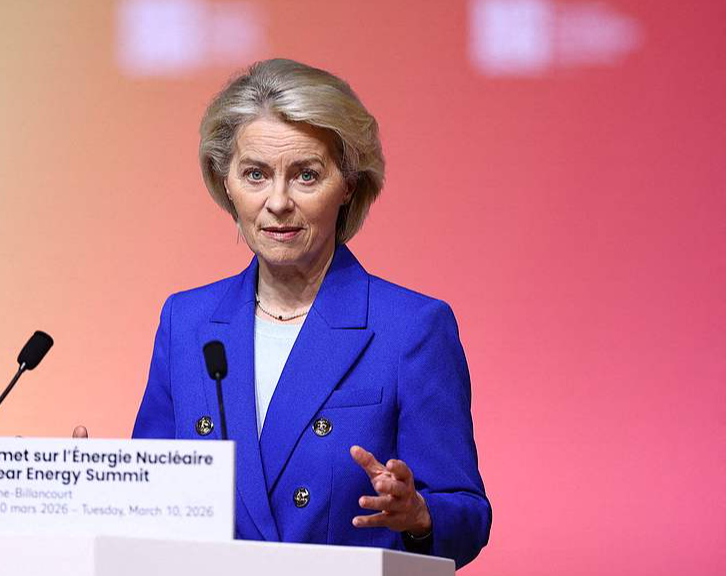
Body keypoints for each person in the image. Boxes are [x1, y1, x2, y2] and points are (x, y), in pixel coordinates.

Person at [101, 58, 489, 568]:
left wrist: (419, 514)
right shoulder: (187, 321)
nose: (278, 202)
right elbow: (154, 501)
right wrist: (95, 489)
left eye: (306, 175)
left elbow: (468, 514)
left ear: (348, 184)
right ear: (225, 181)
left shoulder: (411, 328)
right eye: (255, 175)